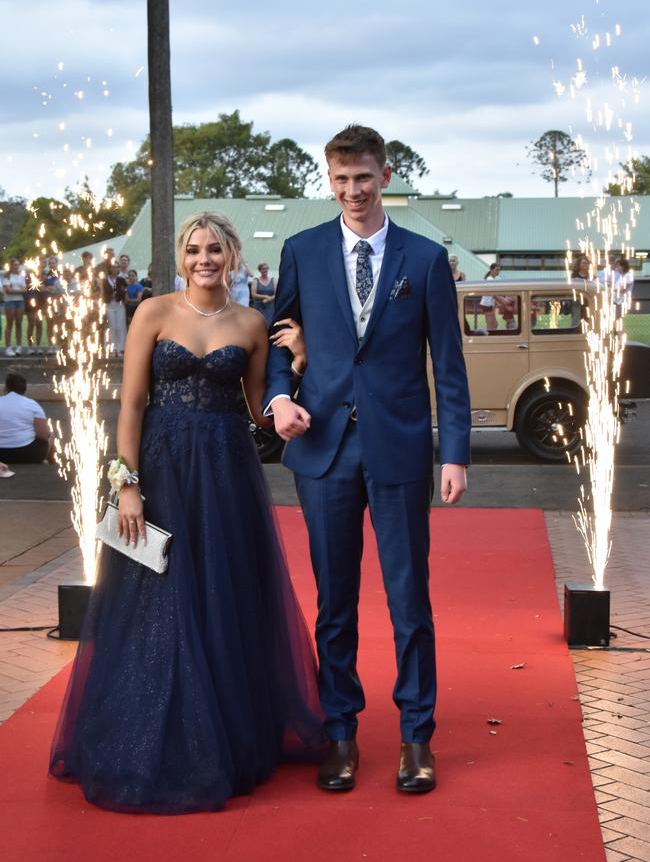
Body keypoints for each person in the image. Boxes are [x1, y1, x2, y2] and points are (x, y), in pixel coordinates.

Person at [49, 210, 325, 813]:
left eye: (216, 250)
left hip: (226, 475)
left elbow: (257, 413)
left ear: (232, 256)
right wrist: (127, 486)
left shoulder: (252, 323)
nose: (205, 259)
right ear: (182, 257)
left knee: (221, 596)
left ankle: (224, 733)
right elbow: (131, 407)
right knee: (157, 598)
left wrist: (297, 366)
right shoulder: (153, 311)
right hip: (163, 471)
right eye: (195, 250)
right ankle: (151, 734)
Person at [265, 125, 471, 795]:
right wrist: (277, 396)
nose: (352, 191)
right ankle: (341, 735)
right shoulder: (301, 250)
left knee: (410, 600)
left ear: (386, 175)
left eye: (363, 178)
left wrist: (456, 452)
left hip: (401, 448)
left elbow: (449, 365)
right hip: (323, 450)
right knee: (335, 603)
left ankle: (417, 737)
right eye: (339, 179)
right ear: (329, 180)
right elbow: (276, 343)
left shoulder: (425, 258)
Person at [0, 372, 54, 464]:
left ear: (6, 388)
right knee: (51, 434)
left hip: (1, 455)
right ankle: (49, 462)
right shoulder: (32, 405)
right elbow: (43, 436)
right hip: (28, 454)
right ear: (24, 389)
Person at [101, 263, 127, 355]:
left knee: (120, 326)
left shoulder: (121, 280)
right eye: (113, 267)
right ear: (110, 268)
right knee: (111, 326)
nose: (114, 269)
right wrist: (110, 296)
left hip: (119, 304)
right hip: (109, 304)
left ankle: (120, 348)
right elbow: (102, 294)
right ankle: (110, 347)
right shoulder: (105, 280)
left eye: (116, 267)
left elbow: (124, 292)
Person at [3, 259, 27, 356]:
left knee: (18, 323)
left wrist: (14, 289)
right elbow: (8, 290)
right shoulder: (6, 276)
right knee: (9, 324)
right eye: (15, 265)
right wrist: (19, 290)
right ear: (11, 266)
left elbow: (25, 290)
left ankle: (18, 347)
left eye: (18, 264)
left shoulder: (21, 276)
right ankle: (8, 348)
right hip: (9, 302)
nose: (17, 266)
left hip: (20, 302)